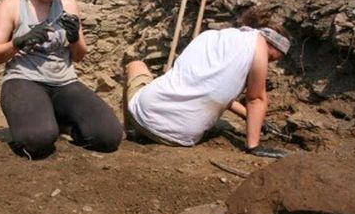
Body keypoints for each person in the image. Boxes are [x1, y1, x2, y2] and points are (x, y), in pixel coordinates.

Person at [0, 0, 123, 159]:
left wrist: (74, 37)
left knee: (109, 136)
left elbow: (78, 56)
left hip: (64, 81)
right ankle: (41, 123)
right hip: (24, 79)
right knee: (37, 141)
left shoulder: (68, 5)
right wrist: (19, 42)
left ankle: (63, 124)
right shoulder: (12, 6)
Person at [124, 15, 289, 158]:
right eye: (272, 58)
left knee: (136, 65)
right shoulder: (259, 49)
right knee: (221, 125)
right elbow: (256, 98)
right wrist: (254, 146)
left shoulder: (210, 37)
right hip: (180, 136)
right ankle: (135, 130)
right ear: (271, 43)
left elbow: (212, 90)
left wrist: (250, 117)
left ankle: (130, 129)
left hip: (142, 114)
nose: (269, 63)